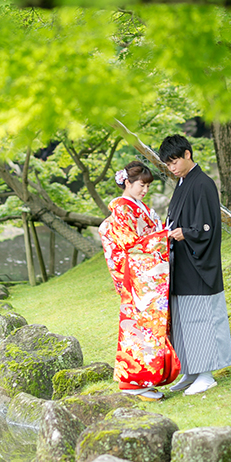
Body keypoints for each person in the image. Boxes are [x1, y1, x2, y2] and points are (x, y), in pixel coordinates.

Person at [159, 134, 231, 396]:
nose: (172, 167)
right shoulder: (182, 183)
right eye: (168, 164)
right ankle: (190, 370)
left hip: (198, 261)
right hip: (181, 262)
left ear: (187, 154)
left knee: (201, 316)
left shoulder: (203, 183)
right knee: (183, 318)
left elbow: (208, 227)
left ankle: (206, 374)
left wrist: (186, 233)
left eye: (175, 161)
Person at [99, 160, 180, 401]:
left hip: (147, 275)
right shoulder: (122, 209)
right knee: (141, 329)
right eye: (141, 185)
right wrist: (163, 235)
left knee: (151, 328)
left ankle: (147, 380)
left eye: (147, 186)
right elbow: (130, 245)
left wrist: (160, 233)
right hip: (138, 277)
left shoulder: (138, 207)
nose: (145, 190)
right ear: (127, 183)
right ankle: (133, 382)